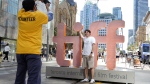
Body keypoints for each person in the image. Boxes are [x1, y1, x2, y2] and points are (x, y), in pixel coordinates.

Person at [14, 0, 53, 84]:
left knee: (19, 77)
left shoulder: (20, 14)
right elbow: (50, 16)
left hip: (20, 51)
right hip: (33, 52)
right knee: (33, 77)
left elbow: (25, 5)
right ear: (34, 7)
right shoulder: (38, 15)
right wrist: (48, 8)